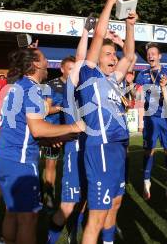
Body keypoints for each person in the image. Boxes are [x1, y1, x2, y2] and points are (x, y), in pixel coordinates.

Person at [0, 46, 84, 244]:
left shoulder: (17, 86)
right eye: (44, 59)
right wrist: (73, 127)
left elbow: (23, 128)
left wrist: (51, 139)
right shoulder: (32, 88)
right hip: (20, 161)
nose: (47, 63)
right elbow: (37, 128)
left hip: (4, 157)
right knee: (28, 219)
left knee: (12, 211)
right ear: (35, 64)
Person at [76, 0, 136, 244]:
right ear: (96, 58)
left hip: (118, 146)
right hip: (100, 146)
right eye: (109, 54)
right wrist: (111, 2)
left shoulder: (113, 80)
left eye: (114, 54)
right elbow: (99, 34)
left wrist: (130, 26)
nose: (115, 57)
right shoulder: (89, 76)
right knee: (97, 214)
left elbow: (130, 56)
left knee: (116, 202)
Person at [46, 15, 97, 244]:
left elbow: (88, 61)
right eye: (69, 69)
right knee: (67, 205)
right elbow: (81, 57)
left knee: (86, 199)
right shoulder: (68, 89)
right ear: (65, 73)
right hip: (74, 148)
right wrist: (87, 31)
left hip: (91, 148)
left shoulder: (84, 88)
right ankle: (50, 239)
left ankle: (73, 236)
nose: (73, 71)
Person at [135, 42, 167, 200]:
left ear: (160, 56)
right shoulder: (142, 74)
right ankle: (146, 182)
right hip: (150, 118)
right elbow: (137, 96)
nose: (150, 55)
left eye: (154, 53)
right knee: (149, 150)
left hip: (166, 118)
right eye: (148, 53)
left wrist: (164, 88)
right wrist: (135, 90)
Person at [42, 56, 76, 208]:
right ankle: (48, 195)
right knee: (51, 164)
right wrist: (62, 108)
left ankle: (72, 195)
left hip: (72, 133)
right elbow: (45, 110)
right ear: (62, 69)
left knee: (73, 165)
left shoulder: (78, 85)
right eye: (70, 69)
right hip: (54, 132)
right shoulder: (51, 85)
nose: (73, 72)